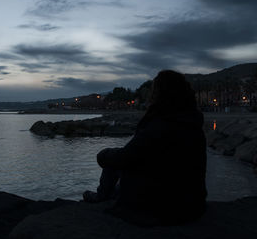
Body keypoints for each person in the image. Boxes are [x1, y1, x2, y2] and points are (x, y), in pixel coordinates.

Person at [83, 70, 207, 226]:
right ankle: (107, 194)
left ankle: (101, 197)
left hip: (163, 208)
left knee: (112, 160)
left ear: (160, 95)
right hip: (192, 205)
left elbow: (126, 157)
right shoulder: (192, 123)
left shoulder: (161, 123)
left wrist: (103, 155)